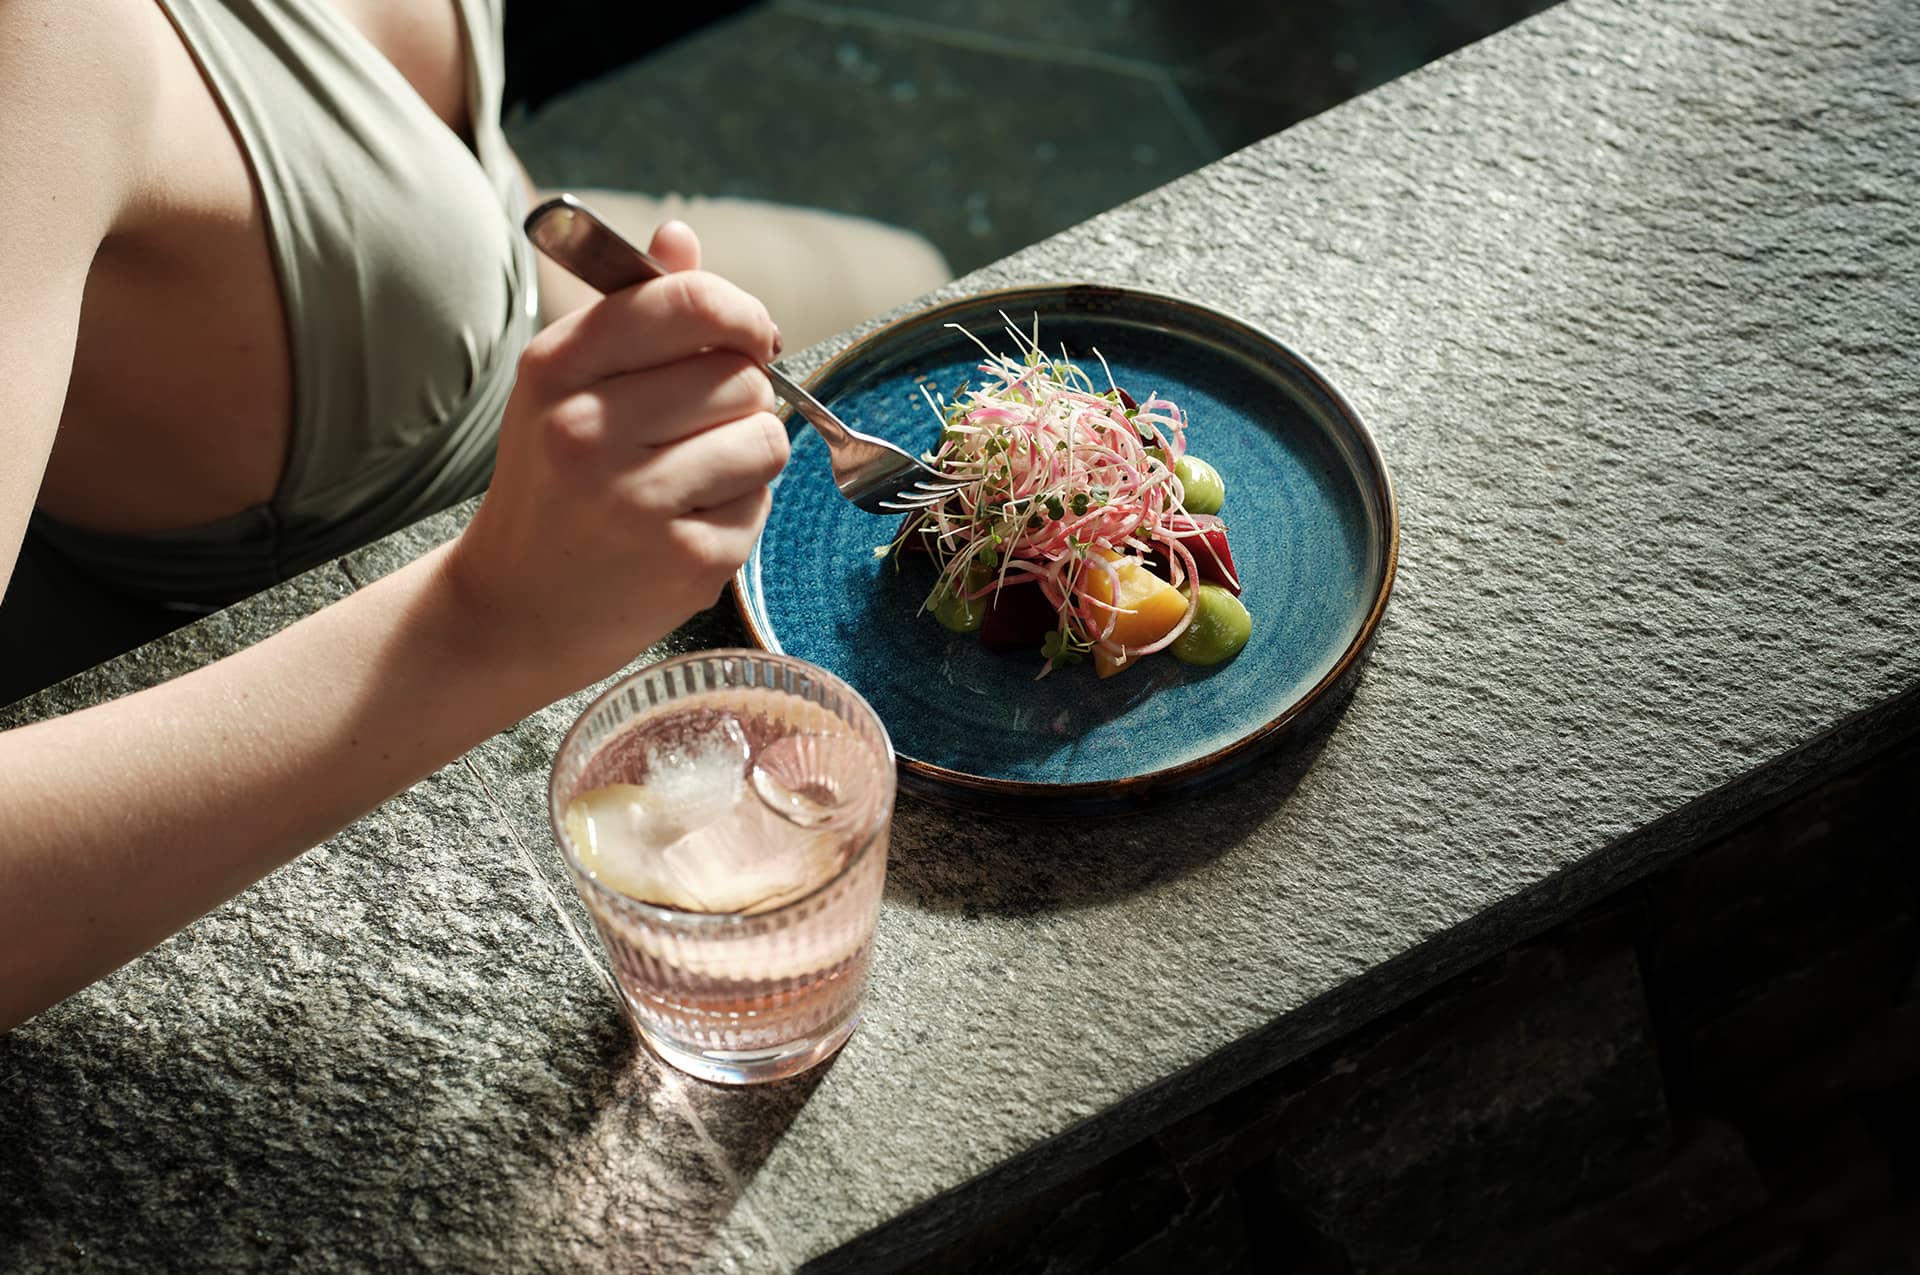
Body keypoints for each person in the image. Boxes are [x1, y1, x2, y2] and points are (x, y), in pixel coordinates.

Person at [0, 0, 948, 1031]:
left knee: (913, 274)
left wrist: (624, 344)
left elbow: (460, 166)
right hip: (316, 669)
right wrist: (485, 617)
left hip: (511, 283)